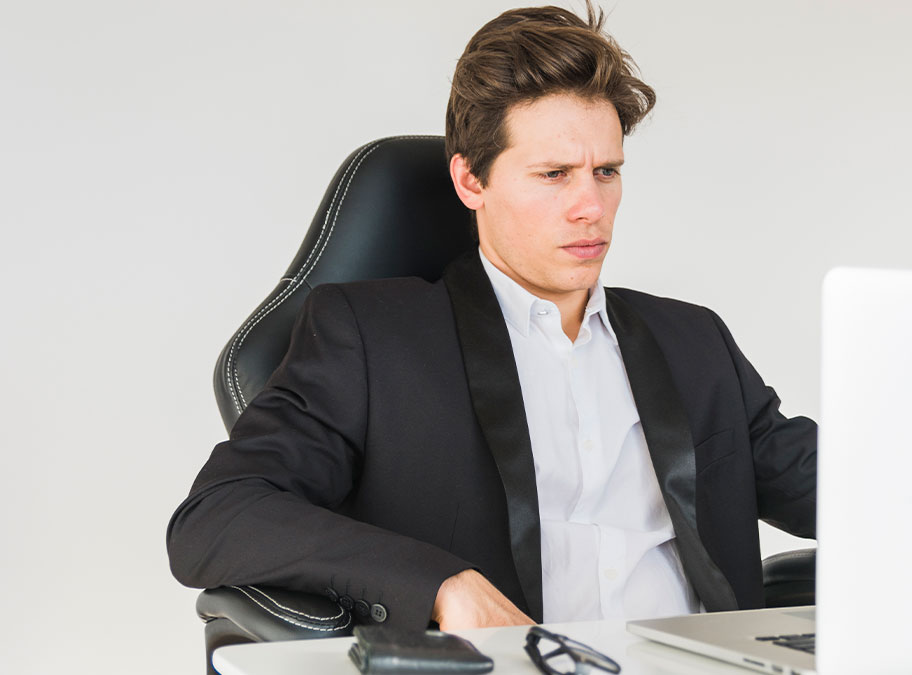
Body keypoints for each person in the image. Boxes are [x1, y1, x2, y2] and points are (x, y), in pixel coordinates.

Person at [167, 2, 816, 633]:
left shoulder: (694, 340)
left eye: (607, 171)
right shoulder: (370, 339)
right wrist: (436, 584)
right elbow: (216, 517)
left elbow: (845, 488)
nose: (591, 206)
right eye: (555, 174)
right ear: (471, 180)